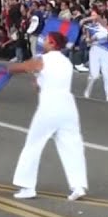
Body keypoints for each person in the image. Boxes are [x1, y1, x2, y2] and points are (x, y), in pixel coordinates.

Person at [8, 31, 88, 201]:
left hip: (50, 106)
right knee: (72, 145)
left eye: (46, 40)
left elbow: (22, 67)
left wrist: (3, 69)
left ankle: (27, 186)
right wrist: (38, 82)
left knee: (33, 144)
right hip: (68, 106)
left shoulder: (44, 59)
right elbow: (43, 82)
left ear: (52, 43)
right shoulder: (66, 62)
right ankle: (78, 185)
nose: (43, 42)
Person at [81, 8, 108, 101]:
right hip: (95, 49)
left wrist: (84, 19)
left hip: (105, 49)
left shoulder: (103, 22)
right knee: (94, 74)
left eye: (94, 15)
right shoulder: (89, 27)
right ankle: (88, 89)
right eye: (91, 15)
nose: (93, 17)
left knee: (106, 71)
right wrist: (90, 39)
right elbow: (88, 40)